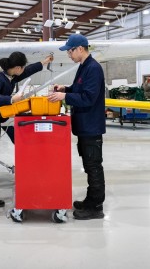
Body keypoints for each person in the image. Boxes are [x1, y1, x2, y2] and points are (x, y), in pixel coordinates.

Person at [0, 51, 54, 217]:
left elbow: (27, 71)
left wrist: (43, 63)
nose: (23, 70)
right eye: (21, 67)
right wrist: (11, 100)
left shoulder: (9, 75)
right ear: (16, 67)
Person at [47, 34, 106, 220]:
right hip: (84, 126)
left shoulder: (93, 69)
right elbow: (78, 89)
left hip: (91, 126)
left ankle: (96, 207)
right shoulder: (83, 67)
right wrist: (66, 89)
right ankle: (90, 200)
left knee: (94, 166)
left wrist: (64, 97)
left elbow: (88, 97)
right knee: (89, 166)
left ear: (80, 48)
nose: (69, 55)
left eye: (70, 51)